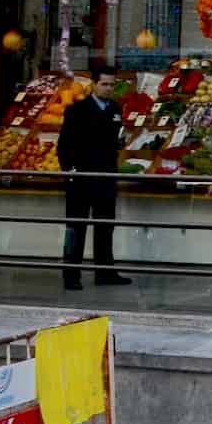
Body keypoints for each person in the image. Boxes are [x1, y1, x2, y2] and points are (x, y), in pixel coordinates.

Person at [59, 78, 131, 290]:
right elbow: (64, 144)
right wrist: (69, 171)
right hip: (81, 177)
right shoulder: (77, 109)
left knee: (105, 227)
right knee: (76, 227)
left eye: (111, 85)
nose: (108, 88)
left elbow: (115, 140)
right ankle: (71, 275)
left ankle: (105, 272)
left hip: (106, 176)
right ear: (94, 85)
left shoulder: (116, 109)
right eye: (104, 84)